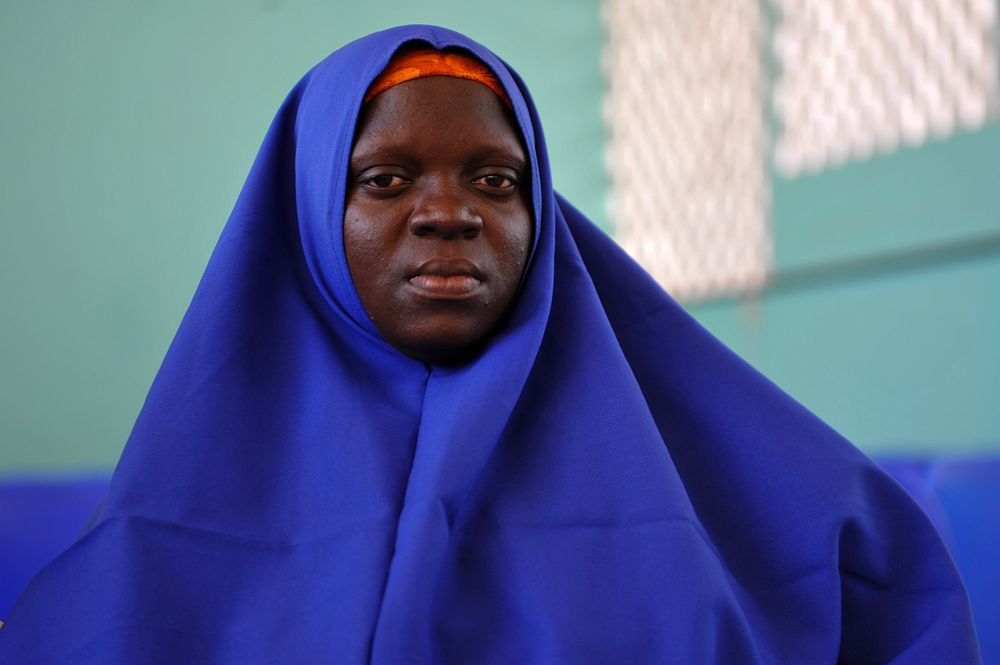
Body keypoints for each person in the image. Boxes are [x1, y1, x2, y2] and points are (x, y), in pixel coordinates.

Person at [0, 24, 981, 663]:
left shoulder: (718, 470)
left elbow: (902, 590)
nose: (449, 214)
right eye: (385, 179)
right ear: (305, 216)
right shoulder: (159, 528)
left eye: (496, 180)